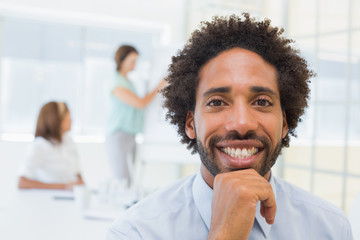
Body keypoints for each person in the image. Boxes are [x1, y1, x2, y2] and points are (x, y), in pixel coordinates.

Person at [107, 14, 353, 239]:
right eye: (217, 102)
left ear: (285, 123)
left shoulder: (330, 228)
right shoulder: (136, 232)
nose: (242, 123)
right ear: (191, 124)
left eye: (261, 102)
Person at [106, 45, 166, 186]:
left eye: (136, 61)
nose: (135, 64)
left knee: (129, 179)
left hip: (130, 134)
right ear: (122, 60)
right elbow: (140, 103)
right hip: (118, 134)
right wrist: (159, 86)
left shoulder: (128, 82)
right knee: (122, 179)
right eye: (132, 60)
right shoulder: (117, 83)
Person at [18, 101, 84, 190]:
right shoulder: (40, 145)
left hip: (71, 196)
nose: (71, 119)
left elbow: (77, 174)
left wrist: (81, 186)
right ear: (57, 119)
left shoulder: (68, 141)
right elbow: (22, 182)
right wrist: (63, 187)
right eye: (68, 116)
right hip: (49, 198)